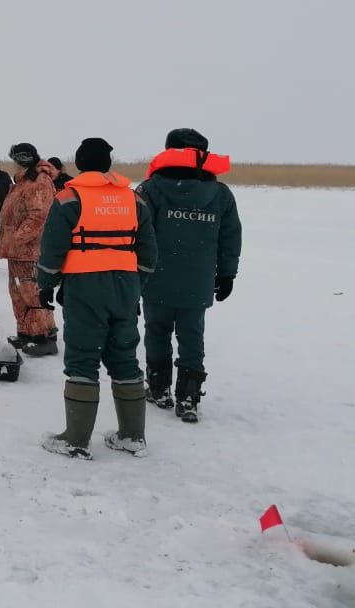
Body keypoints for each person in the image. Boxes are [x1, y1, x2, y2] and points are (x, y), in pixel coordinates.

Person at [35, 138, 158, 459]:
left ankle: (75, 440)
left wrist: (46, 284)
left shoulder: (68, 199)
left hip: (83, 287)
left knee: (82, 357)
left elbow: (52, 249)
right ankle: (132, 436)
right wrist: (135, 283)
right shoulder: (134, 199)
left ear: (79, 163)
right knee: (124, 356)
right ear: (108, 163)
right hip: (125, 287)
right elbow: (149, 253)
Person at [135, 128, 242, 423]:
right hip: (198, 280)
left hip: (155, 277)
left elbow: (137, 234)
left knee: (156, 331)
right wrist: (227, 274)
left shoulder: (149, 189)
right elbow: (231, 236)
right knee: (192, 334)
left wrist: (132, 272)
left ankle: (159, 389)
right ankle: (189, 397)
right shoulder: (220, 193)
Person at [0, 142, 60, 355]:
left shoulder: (39, 181)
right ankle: (26, 333)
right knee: (18, 293)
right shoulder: (22, 181)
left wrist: (17, 238)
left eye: (15, 160)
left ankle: (44, 337)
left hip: (30, 251)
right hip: (17, 251)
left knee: (32, 294)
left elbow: (38, 216)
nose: (13, 164)